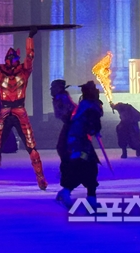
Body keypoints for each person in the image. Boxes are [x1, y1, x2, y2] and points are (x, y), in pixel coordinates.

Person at [0, 28, 47, 191]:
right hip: (10, 111)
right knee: (0, 147)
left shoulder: (17, 70)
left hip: (15, 110)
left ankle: (40, 179)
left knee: (29, 147)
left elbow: (29, 57)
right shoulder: (9, 70)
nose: (11, 60)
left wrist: (30, 38)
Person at [55, 81, 103, 209]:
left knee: (89, 167)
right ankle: (68, 192)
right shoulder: (89, 106)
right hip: (78, 143)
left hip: (79, 141)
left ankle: (89, 197)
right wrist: (94, 129)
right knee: (83, 166)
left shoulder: (86, 105)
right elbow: (90, 125)